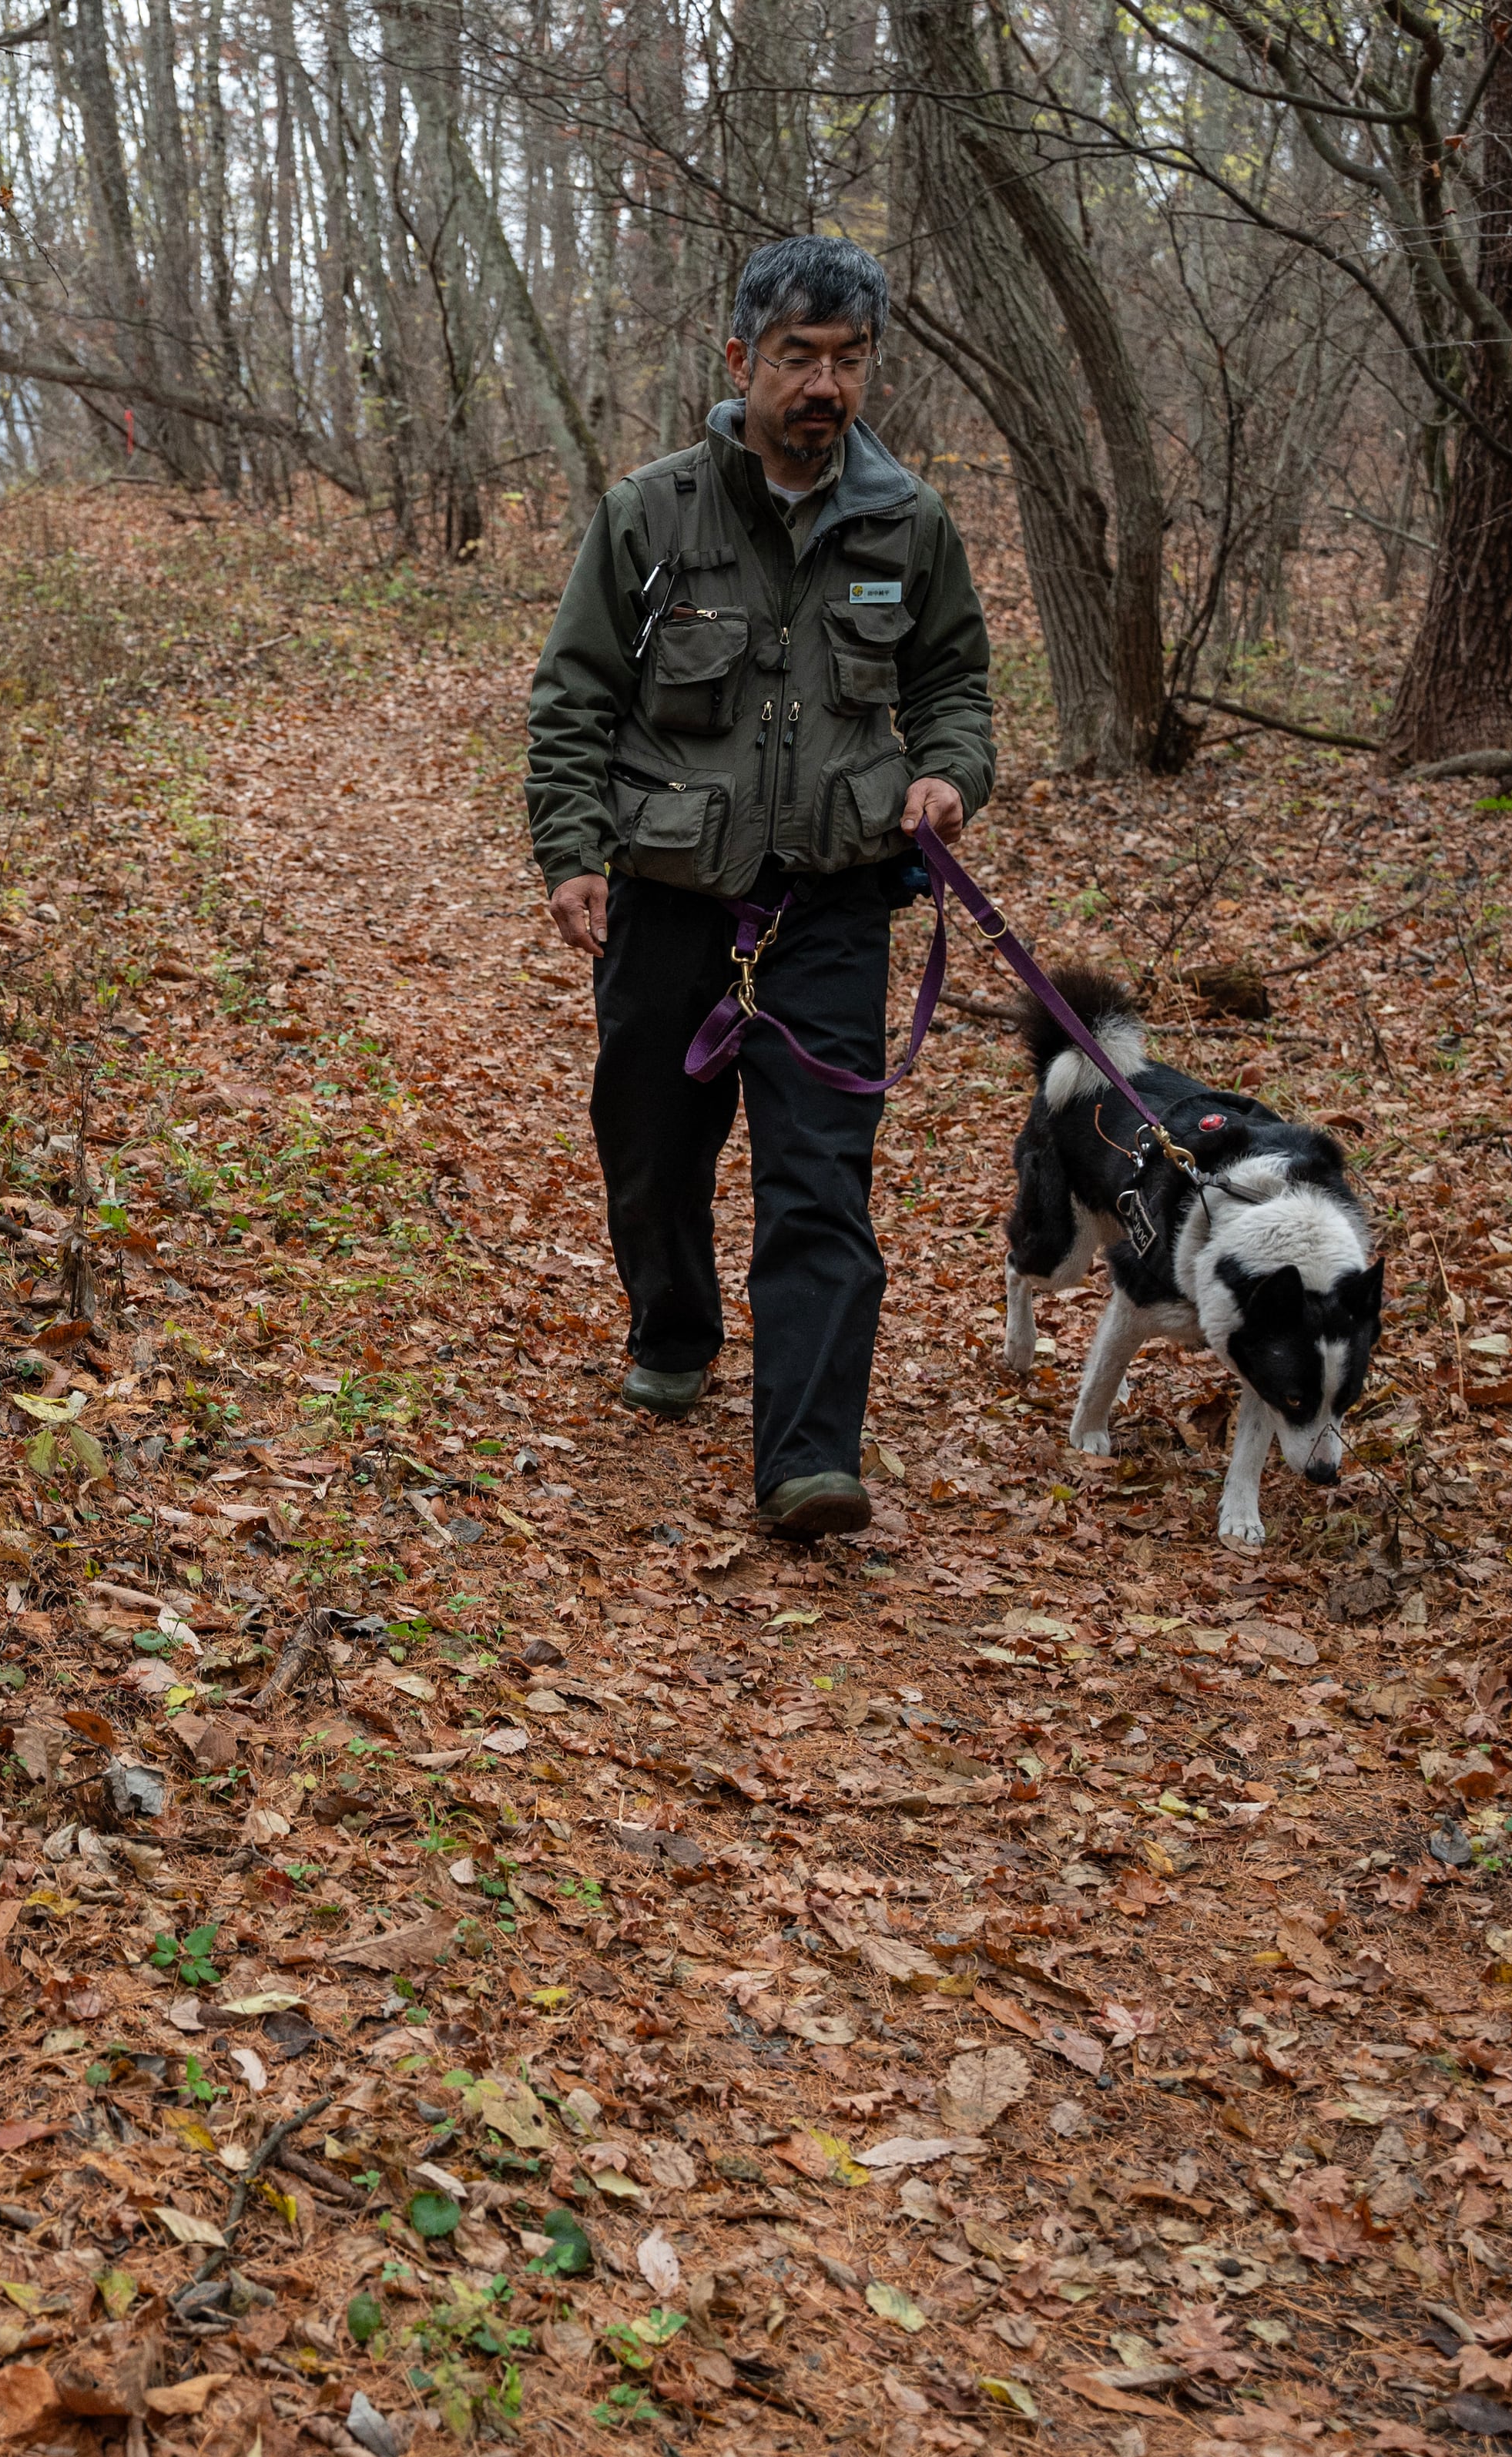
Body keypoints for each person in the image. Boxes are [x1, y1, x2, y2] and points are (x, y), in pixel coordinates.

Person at [523, 236, 997, 1541]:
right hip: (670, 898)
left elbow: (955, 683)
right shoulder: (650, 515)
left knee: (819, 1181)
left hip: (832, 905)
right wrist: (571, 851)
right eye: (799, 356)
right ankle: (674, 1326)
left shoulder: (910, 522)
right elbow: (574, 699)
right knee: (654, 1151)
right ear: (741, 361)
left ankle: (805, 1458)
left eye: (849, 360)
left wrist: (949, 775)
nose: (825, 385)